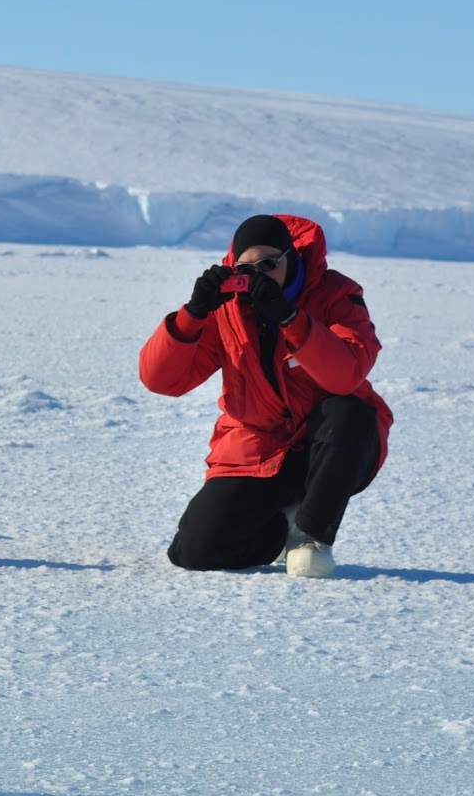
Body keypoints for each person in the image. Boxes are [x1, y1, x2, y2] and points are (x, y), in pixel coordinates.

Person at [139, 214, 393, 577]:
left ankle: (310, 535)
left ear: (292, 258)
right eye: (247, 266)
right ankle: (278, 528)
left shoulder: (337, 294)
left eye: (270, 264)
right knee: (195, 551)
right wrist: (192, 314)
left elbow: (346, 373)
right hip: (257, 447)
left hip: (331, 447)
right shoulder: (224, 307)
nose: (260, 274)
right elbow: (160, 380)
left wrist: (290, 318)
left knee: (350, 413)